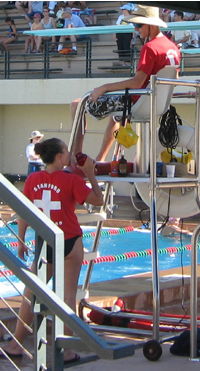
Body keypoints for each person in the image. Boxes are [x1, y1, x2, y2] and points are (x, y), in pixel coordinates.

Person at [0, 137, 103, 363]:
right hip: (69, 241)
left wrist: (20, 242)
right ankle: (65, 351)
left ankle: (17, 344)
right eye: (66, 151)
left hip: (44, 242)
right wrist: (90, 173)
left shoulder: (33, 179)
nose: (68, 154)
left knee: (31, 292)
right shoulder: (71, 180)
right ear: (59, 156)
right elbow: (98, 200)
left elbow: (23, 212)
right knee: (68, 296)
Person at [71, 5, 181, 162]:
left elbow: (137, 83)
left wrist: (104, 88)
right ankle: (101, 159)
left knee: (77, 105)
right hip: (156, 104)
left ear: (151, 25)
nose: (136, 29)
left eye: (138, 25)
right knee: (115, 117)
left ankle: (76, 158)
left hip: (136, 101)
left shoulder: (150, 48)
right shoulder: (173, 48)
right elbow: (174, 79)